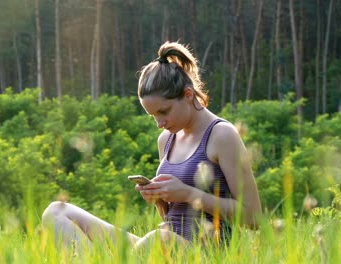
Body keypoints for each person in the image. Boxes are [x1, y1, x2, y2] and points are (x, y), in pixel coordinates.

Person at [42, 41, 262, 251]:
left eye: (163, 112)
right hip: (162, 247)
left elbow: (253, 218)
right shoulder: (166, 139)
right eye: (153, 116)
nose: (159, 123)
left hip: (205, 251)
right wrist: (159, 200)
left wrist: (187, 193)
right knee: (57, 211)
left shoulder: (222, 135)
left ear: (187, 95)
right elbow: (172, 219)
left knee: (157, 240)